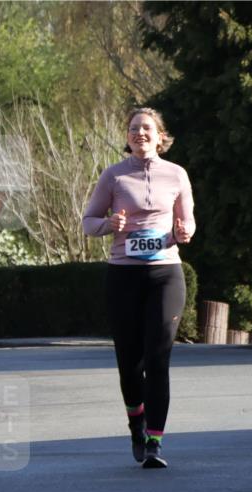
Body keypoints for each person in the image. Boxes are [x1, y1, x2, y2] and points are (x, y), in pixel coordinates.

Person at [81, 107, 195, 469]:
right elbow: (88, 222)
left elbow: (188, 220)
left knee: (158, 358)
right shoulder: (114, 176)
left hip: (165, 273)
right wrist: (109, 224)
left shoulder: (176, 174)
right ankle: (136, 422)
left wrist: (184, 232)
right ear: (128, 137)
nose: (139, 133)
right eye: (133, 129)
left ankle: (154, 443)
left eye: (146, 128)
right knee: (129, 363)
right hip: (124, 275)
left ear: (161, 135)